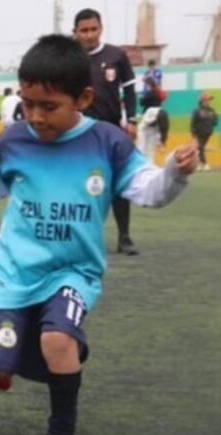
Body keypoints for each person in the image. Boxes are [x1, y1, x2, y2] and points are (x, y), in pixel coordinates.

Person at [0, 34, 197, 435]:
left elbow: (150, 191)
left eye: (48, 106)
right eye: (27, 103)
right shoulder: (15, 141)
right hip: (15, 272)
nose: (35, 116)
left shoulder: (107, 143)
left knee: (58, 340)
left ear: (83, 99)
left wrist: (174, 174)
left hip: (73, 272)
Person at [73, 8, 140, 255]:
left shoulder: (116, 55)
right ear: (75, 32)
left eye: (93, 29)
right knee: (81, 184)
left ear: (101, 29)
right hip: (79, 131)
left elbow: (130, 89)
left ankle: (124, 237)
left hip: (111, 129)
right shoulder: (70, 59)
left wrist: (131, 119)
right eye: (84, 30)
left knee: (118, 181)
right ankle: (82, 238)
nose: (89, 35)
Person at [137, 78, 169, 163]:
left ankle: (141, 163)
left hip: (149, 115)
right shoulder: (158, 93)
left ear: (148, 84)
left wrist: (141, 97)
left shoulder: (149, 93)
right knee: (150, 150)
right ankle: (149, 164)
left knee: (142, 146)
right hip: (154, 122)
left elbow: (142, 102)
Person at [190, 93, 219, 171]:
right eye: (208, 100)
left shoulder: (212, 110)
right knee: (200, 147)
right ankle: (204, 163)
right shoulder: (197, 111)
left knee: (200, 148)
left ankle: (199, 164)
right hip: (199, 133)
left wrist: (215, 115)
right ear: (202, 101)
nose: (209, 101)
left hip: (208, 133)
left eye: (210, 100)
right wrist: (193, 134)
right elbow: (193, 123)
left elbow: (215, 122)